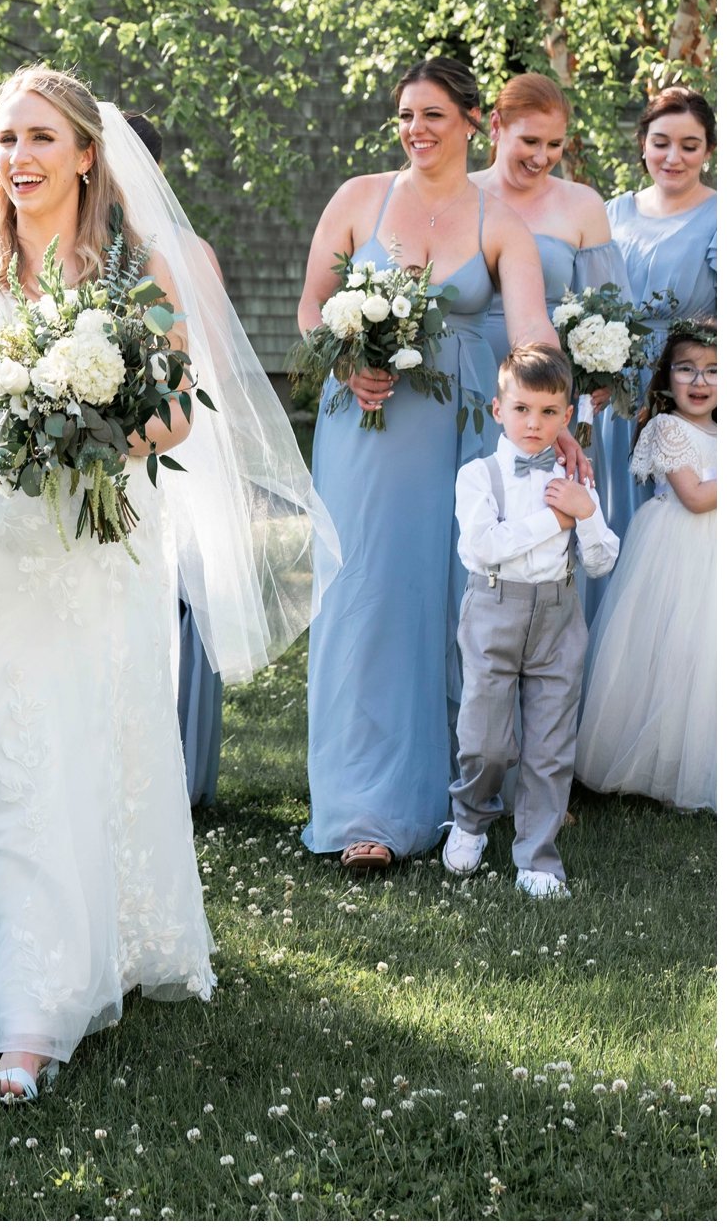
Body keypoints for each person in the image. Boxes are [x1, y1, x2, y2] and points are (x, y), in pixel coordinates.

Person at [0, 67, 334, 1101]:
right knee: (6, 752)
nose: (19, 159)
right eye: (5, 139)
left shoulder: (138, 275)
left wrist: (125, 419)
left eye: (41, 139)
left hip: (105, 544)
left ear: (88, 154)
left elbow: (178, 414)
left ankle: (115, 930)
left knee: (96, 739)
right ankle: (29, 1006)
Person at [296, 55, 590, 872]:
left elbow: (531, 330)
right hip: (365, 419)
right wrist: (346, 358)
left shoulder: (500, 221)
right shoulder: (359, 197)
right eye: (405, 117)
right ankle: (363, 807)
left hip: (458, 424)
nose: (416, 130)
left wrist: (556, 410)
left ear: (471, 122)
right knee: (367, 595)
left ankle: (462, 795)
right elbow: (313, 302)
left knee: (454, 598)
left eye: (432, 115)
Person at [443, 345, 618, 900]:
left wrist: (585, 516)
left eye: (548, 413)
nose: (534, 424)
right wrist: (556, 519)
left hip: (559, 615)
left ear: (567, 417)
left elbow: (600, 560)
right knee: (486, 741)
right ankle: (471, 817)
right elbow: (485, 547)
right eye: (521, 409)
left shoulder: (573, 480)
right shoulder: (478, 476)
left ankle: (538, 857)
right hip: (494, 610)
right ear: (498, 410)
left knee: (550, 744)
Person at [124, 110, 224, 806]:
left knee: (173, 589)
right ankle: (177, 764)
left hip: (169, 431)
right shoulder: (193, 249)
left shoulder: (158, 254)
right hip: (173, 435)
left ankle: (167, 765)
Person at [575, 318, 716, 812]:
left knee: (706, 655)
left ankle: (699, 760)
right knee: (672, 649)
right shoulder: (665, 427)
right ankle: (651, 761)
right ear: (666, 375)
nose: (700, 382)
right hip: (676, 549)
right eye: (687, 369)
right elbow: (697, 497)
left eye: (714, 371)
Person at [592, 87, 717, 589]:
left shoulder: (718, 216)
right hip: (612, 395)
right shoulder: (610, 212)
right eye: (661, 142)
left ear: (709, 150)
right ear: (642, 143)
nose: (674, 157)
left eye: (690, 145)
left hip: (683, 394)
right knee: (608, 512)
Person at [473, 72, 632, 373]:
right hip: (462, 372)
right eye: (530, 141)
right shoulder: (459, 197)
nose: (541, 158)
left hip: (548, 383)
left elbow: (609, 311)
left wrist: (600, 376)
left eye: (554, 144)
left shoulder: (584, 205)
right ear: (496, 126)